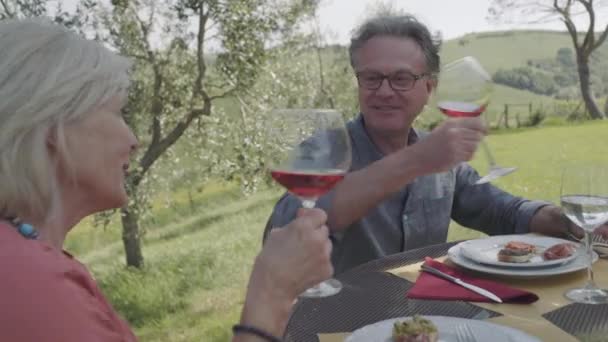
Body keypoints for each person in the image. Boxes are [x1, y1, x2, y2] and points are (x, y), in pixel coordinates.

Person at [0, 18, 333, 342]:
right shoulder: (30, 285)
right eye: (118, 113)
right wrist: (271, 295)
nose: (134, 140)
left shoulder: (26, 259)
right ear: (54, 127)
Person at [264, 14, 608, 275]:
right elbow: (283, 229)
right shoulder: (326, 151)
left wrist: (567, 222)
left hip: (423, 320)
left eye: (401, 78)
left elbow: (500, 210)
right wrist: (416, 161)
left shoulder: (439, 158)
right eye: (371, 78)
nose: (384, 91)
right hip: (333, 324)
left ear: (429, 88)